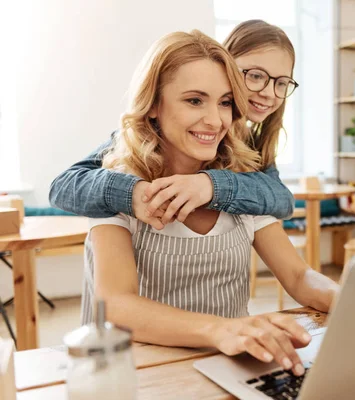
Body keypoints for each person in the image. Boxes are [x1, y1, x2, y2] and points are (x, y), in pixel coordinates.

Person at [84, 29, 339, 377]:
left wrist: (341, 298)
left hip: (233, 366)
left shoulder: (242, 181)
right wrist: (220, 329)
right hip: (136, 373)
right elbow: (116, 304)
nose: (216, 120)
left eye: (224, 102)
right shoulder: (117, 185)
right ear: (154, 105)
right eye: (194, 100)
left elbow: (297, 275)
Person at [49, 20, 300, 229]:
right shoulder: (149, 133)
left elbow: (283, 200)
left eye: (281, 83)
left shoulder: (250, 142)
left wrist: (212, 185)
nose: (269, 93)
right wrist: (132, 193)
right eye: (255, 76)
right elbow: (64, 186)